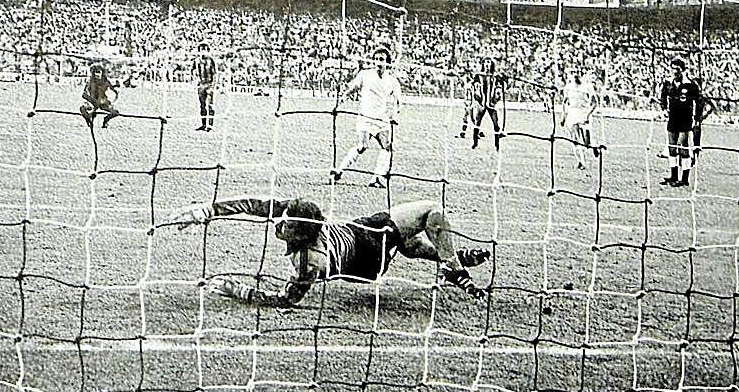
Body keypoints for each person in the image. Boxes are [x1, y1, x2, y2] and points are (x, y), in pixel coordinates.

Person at [166, 195, 491, 306]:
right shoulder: (304, 234)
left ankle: (453, 263)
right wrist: (205, 211)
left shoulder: (309, 260)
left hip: (369, 244)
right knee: (418, 224)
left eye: (284, 223)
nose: (277, 222)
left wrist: (235, 289)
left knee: (415, 234)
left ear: (299, 233)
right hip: (366, 247)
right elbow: (250, 205)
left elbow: (284, 300)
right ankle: (451, 261)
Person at [330, 45, 401, 188]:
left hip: (381, 120)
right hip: (365, 118)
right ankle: (339, 171)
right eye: (376, 59)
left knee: (388, 147)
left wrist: (394, 114)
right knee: (362, 146)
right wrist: (341, 99)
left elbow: (398, 101)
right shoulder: (365, 75)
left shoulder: (392, 81)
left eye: (382, 59)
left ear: (387, 62)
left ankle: (376, 178)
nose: (378, 62)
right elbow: (352, 89)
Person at [659, 56, 701, 187]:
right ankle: (673, 176)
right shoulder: (668, 83)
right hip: (673, 119)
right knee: (672, 147)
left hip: (685, 120)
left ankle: (684, 178)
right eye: (673, 69)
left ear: (683, 70)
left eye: (677, 69)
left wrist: (697, 119)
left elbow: (699, 102)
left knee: (682, 147)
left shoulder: (690, 85)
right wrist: (664, 109)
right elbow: (663, 97)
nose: (674, 72)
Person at [561, 68, 600, 169]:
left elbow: (595, 102)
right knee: (575, 140)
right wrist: (563, 117)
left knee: (587, 142)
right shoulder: (568, 88)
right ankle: (581, 162)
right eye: (574, 73)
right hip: (573, 113)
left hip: (584, 113)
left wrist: (588, 114)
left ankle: (594, 145)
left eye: (578, 73)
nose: (576, 75)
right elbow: (564, 102)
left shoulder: (587, 87)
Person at [463, 57, 506, 150]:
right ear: (483, 64)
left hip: (491, 103)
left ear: (491, 64)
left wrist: (502, 83)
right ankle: (475, 143)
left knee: (496, 124)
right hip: (481, 103)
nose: (487, 64)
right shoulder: (478, 76)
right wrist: (475, 90)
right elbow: (472, 84)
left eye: (489, 62)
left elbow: (501, 86)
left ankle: (497, 145)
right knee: (477, 122)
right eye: (486, 62)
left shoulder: (495, 76)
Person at [80, 61, 120, 128]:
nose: (97, 74)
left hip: (103, 102)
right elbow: (84, 94)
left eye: (98, 72)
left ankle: (105, 120)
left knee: (115, 112)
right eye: (95, 72)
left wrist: (114, 101)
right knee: (82, 108)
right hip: (93, 102)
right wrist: (91, 100)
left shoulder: (105, 81)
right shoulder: (90, 81)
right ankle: (89, 120)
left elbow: (116, 92)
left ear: (102, 73)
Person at [192, 41, 217, 132]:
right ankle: (203, 124)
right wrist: (195, 81)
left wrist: (213, 86)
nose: (203, 52)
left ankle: (210, 125)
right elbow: (192, 71)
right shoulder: (196, 61)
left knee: (210, 105)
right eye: (201, 50)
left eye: (205, 50)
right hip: (201, 85)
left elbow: (214, 74)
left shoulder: (211, 61)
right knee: (202, 106)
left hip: (209, 85)